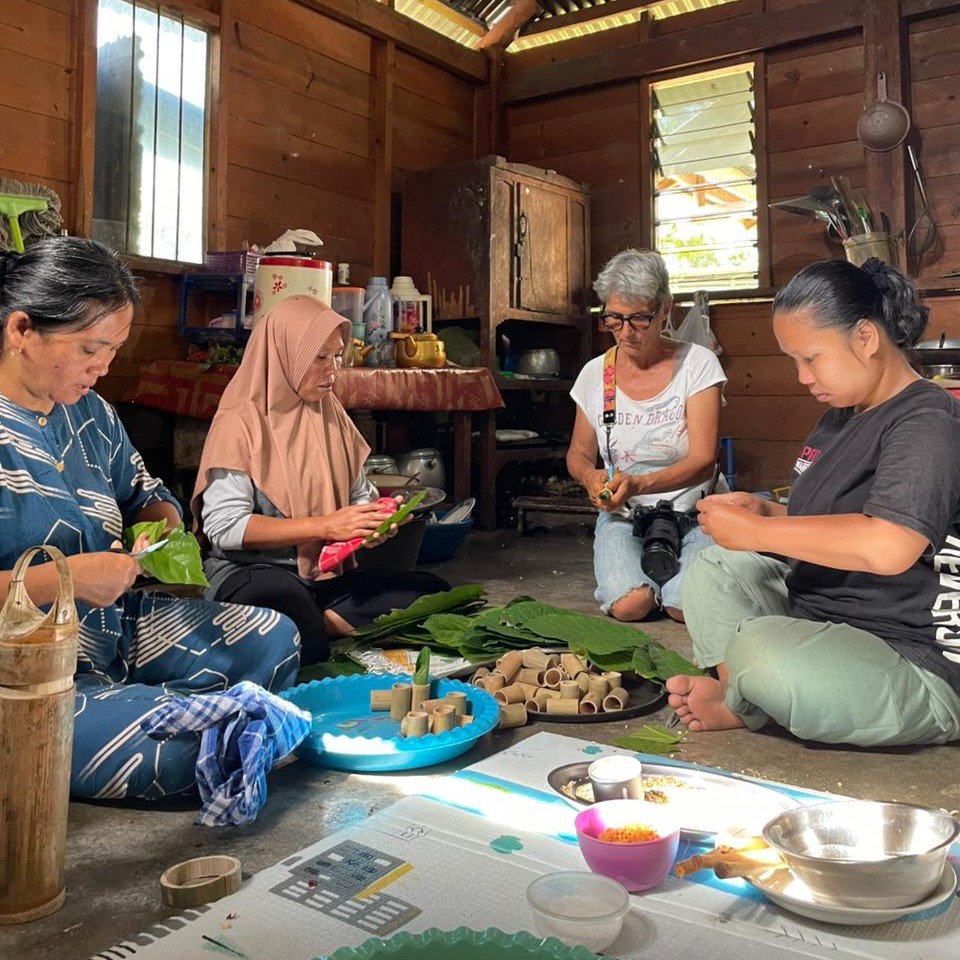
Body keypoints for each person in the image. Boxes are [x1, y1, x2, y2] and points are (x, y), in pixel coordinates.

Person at [0, 236, 301, 801]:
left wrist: (159, 521)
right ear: (21, 331)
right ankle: (133, 716)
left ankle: (136, 706)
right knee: (194, 741)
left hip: (115, 631)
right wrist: (63, 581)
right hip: (25, 677)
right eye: (91, 349)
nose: (104, 368)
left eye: (114, 349)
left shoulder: (90, 412)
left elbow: (145, 491)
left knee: (275, 637)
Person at [667, 257, 960, 748]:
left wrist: (759, 534)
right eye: (792, 361)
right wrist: (768, 514)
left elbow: (890, 544)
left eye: (811, 357)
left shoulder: (926, 422)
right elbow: (842, 519)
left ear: (865, 337)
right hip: (823, 614)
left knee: (762, 652)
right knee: (714, 566)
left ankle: (747, 696)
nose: (802, 376)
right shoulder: (843, 414)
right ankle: (746, 696)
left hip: (913, 656)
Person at [192, 296, 447, 664]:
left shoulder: (332, 415)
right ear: (285, 355)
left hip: (323, 574)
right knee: (282, 608)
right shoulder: (240, 421)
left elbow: (360, 497)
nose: (333, 370)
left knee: (432, 592)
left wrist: (373, 523)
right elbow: (225, 528)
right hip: (253, 571)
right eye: (319, 358)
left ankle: (314, 619)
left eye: (338, 356)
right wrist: (325, 525)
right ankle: (312, 621)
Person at [566, 249, 725, 623]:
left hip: (694, 510)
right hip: (625, 514)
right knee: (630, 605)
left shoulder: (697, 365)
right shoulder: (595, 374)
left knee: (683, 607)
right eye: (614, 319)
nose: (625, 332)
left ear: (664, 309)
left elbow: (703, 460)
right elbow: (578, 453)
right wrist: (590, 477)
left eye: (638, 319)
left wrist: (640, 482)